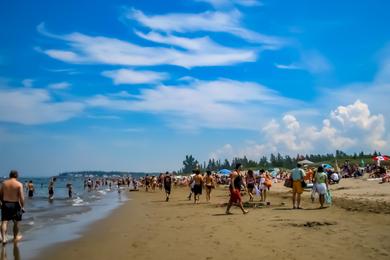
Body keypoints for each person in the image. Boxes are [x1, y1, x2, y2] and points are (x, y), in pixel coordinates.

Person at [0, 170, 25, 243]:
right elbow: (21, 197)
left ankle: (4, 239)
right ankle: (15, 237)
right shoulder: (19, 184)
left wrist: (2, 203)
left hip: (5, 203)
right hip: (15, 204)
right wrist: (23, 206)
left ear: (9, 175)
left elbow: (0, 195)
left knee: (4, 221)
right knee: (16, 222)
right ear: (17, 176)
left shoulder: (4, 183)